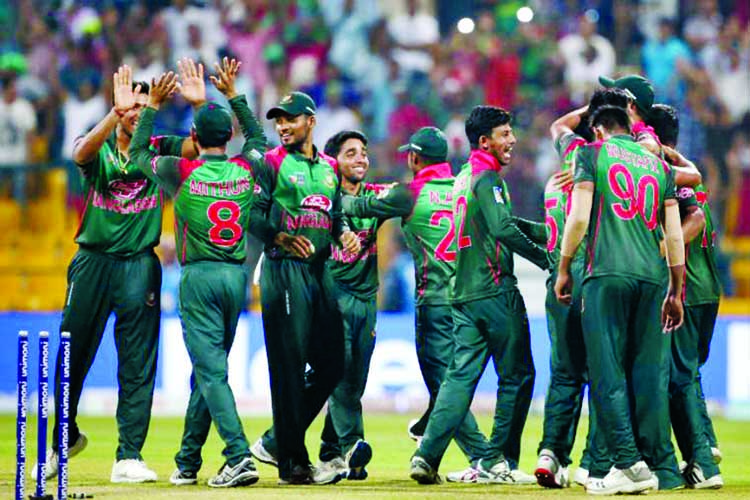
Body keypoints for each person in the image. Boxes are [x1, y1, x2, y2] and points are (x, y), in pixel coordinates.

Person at [41, 63, 202, 484]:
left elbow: (199, 148)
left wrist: (196, 104)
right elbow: (79, 154)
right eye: (130, 106)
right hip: (93, 260)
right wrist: (115, 112)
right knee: (71, 354)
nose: (135, 112)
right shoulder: (100, 146)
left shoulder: (158, 146)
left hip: (138, 263)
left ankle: (128, 456)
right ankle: (62, 440)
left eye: (142, 106)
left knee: (137, 363)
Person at [129, 57, 267, 488]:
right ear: (229, 137)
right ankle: (188, 462)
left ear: (193, 138)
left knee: (210, 373)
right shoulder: (246, 168)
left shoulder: (181, 170)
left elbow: (136, 153)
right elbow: (260, 138)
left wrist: (151, 105)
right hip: (236, 279)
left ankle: (238, 455)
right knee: (207, 373)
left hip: (198, 278)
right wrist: (232, 96)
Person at [338, 126, 497, 482]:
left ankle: (483, 457)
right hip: (471, 298)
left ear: (414, 157)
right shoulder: (464, 188)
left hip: (435, 302)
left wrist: (325, 195)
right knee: (453, 379)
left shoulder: (411, 192)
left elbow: (358, 203)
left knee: (443, 382)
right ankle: (432, 430)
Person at [409, 106, 549, 485]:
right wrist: (547, 259)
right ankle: (497, 461)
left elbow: (502, 221)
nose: (513, 140)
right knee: (518, 374)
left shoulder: (465, 177)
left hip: (462, 293)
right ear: (485, 140)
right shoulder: (488, 179)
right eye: (505, 134)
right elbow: (502, 228)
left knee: (458, 378)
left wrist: (547, 232)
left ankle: (426, 456)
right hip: (495, 289)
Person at [554, 104, 686, 494]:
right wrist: (675, 290)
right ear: (630, 129)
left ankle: (628, 465)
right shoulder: (659, 167)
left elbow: (578, 217)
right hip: (652, 276)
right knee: (647, 374)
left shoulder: (591, 154)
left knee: (607, 372)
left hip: (606, 273)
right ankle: (661, 464)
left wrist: (564, 267)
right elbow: (674, 235)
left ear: (598, 131)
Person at [248, 91, 361, 485]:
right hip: (284, 271)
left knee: (333, 363)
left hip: (319, 271)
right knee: (289, 369)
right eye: (278, 120)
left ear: (310, 121)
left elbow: (335, 217)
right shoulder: (271, 163)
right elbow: (252, 215)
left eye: (290, 119)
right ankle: (294, 463)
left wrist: (344, 234)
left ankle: (280, 440)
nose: (282, 126)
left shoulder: (330, 168)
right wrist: (278, 238)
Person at [535, 87, 634, 489]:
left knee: (563, 373)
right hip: (588, 276)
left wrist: (591, 109)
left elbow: (559, 125)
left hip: (557, 285)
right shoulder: (606, 164)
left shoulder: (569, 161)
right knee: (604, 372)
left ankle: (550, 453)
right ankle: (596, 463)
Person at [647, 103, 724, 489]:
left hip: (690, 290)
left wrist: (660, 250)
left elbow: (691, 222)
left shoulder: (672, 180)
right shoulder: (691, 173)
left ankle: (700, 457)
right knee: (689, 372)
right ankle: (705, 445)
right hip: (709, 290)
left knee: (680, 375)